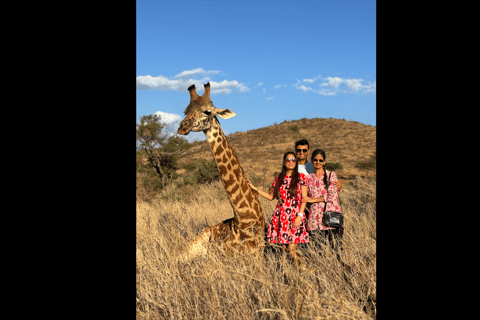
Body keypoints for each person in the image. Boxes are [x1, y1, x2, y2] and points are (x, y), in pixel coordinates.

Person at [247, 152, 309, 266]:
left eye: (293, 160)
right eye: (288, 160)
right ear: (284, 162)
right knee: (282, 249)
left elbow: (304, 199)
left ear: (296, 162)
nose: (290, 162)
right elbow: (271, 197)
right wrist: (255, 189)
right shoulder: (279, 178)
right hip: (280, 216)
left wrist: (299, 216)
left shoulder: (301, 177)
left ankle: (300, 270)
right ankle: (286, 273)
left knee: (292, 249)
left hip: (295, 216)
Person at [302, 149, 345, 262]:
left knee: (337, 250)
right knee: (317, 251)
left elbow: (333, 196)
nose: (318, 162)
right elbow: (303, 196)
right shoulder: (308, 178)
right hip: (315, 220)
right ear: (312, 161)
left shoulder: (331, 175)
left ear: (324, 161)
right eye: (315, 160)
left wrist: (313, 200)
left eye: (320, 160)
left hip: (332, 217)